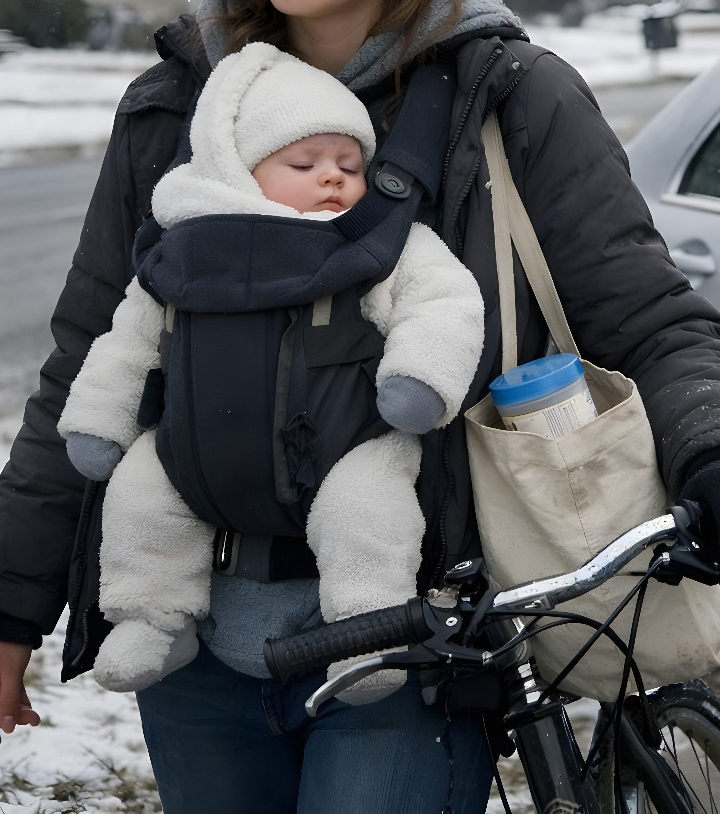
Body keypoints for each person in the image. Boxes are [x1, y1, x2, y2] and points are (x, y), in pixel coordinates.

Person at [0, 0, 720, 813]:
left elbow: (647, 312)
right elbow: (88, 353)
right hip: (191, 622)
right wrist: (15, 598)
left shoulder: (511, 98)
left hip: (417, 628)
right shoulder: (175, 107)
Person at [57, 42, 484, 703]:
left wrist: (419, 378)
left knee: (369, 512)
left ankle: (364, 634)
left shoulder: (378, 244)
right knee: (141, 495)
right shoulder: (185, 250)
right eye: (304, 162)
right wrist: (99, 420)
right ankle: (153, 620)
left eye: (349, 163)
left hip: (346, 448)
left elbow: (444, 301)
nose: (333, 178)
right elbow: (127, 340)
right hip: (193, 457)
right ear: (239, 168)